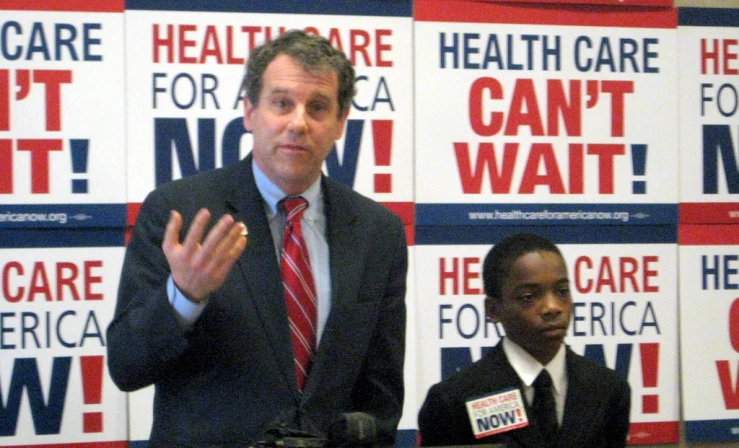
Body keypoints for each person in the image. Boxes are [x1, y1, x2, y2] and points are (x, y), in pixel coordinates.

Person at [107, 30, 408, 447]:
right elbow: (126, 366)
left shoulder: (379, 233)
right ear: (250, 111)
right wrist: (183, 297)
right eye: (282, 103)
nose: (298, 123)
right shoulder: (181, 213)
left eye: (318, 107)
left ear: (340, 122)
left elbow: (381, 399)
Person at [417, 233, 630, 447]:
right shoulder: (454, 400)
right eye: (528, 297)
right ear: (493, 309)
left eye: (562, 291)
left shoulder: (608, 390)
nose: (552, 307)